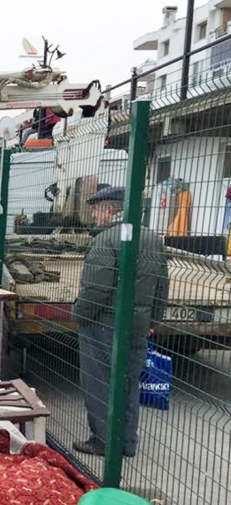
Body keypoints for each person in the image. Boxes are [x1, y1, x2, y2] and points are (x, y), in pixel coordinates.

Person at [73, 186, 169, 458]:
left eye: (96, 209)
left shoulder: (105, 241)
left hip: (103, 325)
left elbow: (95, 289)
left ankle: (103, 440)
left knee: (100, 381)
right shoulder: (152, 238)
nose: (94, 215)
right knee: (128, 383)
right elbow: (162, 285)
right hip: (137, 326)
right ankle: (127, 442)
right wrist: (154, 319)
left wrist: (79, 314)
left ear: (109, 210)